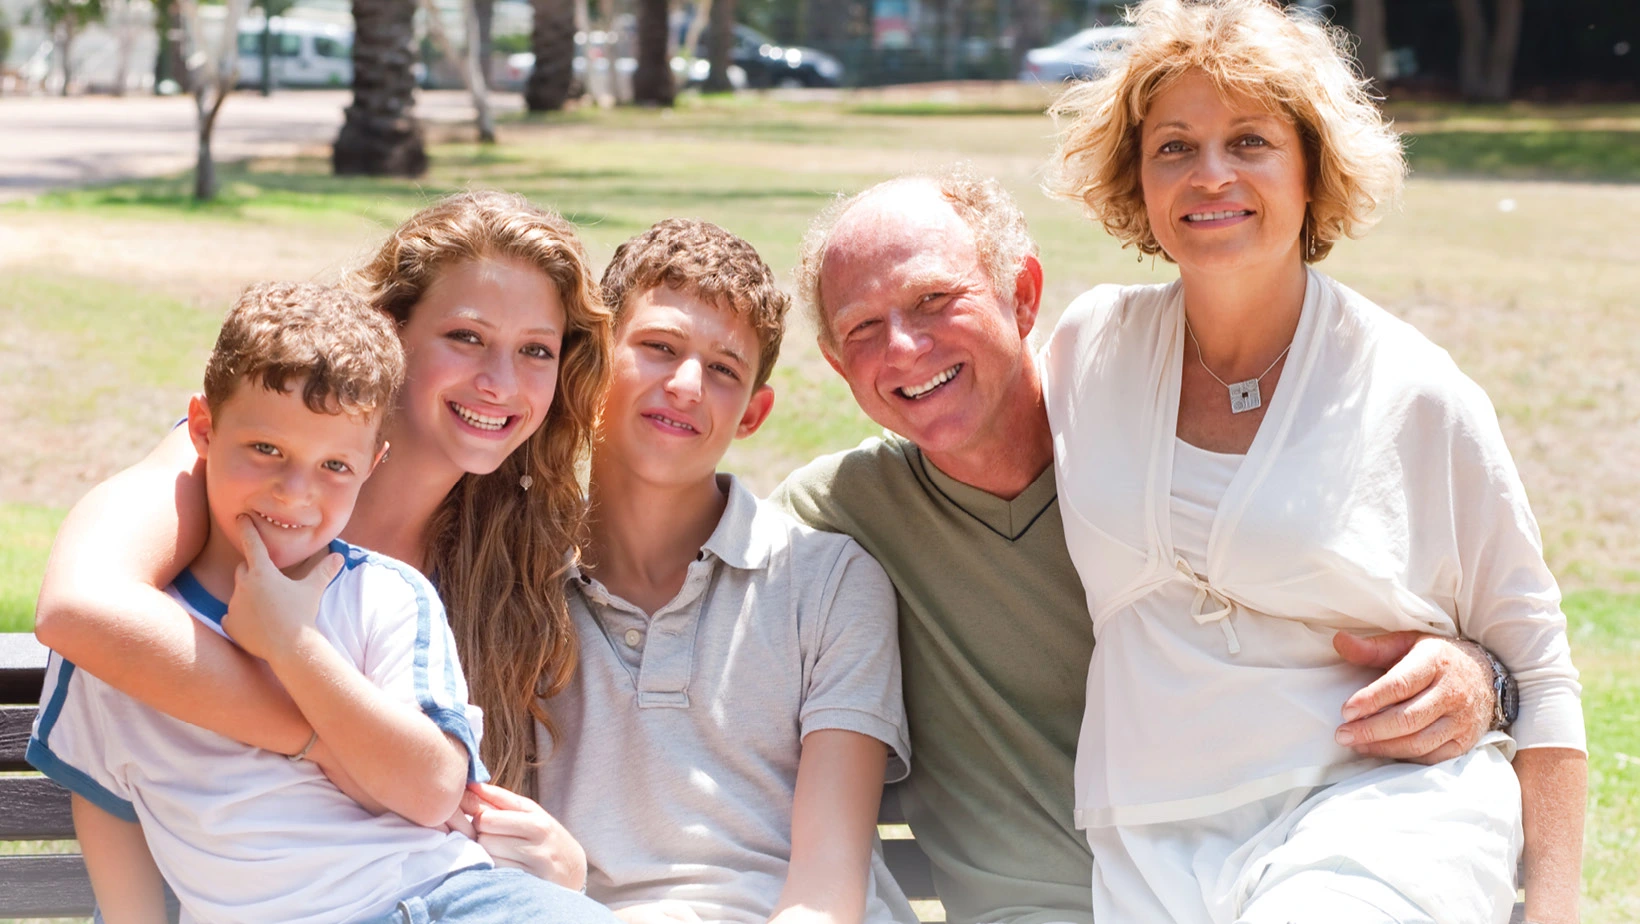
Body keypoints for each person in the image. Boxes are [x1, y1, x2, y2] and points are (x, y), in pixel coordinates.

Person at [779, 169, 1514, 924]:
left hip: (1264, 878)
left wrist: (1481, 674)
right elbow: (677, 570)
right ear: (838, 364)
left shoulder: (1152, 457)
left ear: (1023, 295)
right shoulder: (839, 515)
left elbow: (1444, 604)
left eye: (935, 299)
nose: (903, 346)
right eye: (862, 328)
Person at [1039, 2, 1585, 922]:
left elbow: (1540, 664)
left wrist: (1556, 910)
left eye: (1249, 140)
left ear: (1311, 167)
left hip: (1380, 814)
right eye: (1174, 146)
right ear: (1135, 177)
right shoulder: (1090, 346)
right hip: (1151, 835)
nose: (1211, 174)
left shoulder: (1415, 390)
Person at [32, 190, 612, 888]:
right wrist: (323, 739)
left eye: (536, 351)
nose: (499, 383)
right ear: (390, 332)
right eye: (467, 337)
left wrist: (563, 863)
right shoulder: (237, 469)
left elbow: (452, 796)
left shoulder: (518, 549)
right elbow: (79, 608)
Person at [534, 218, 915, 924]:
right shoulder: (514, 583)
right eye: (658, 348)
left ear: (753, 412)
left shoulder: (829, 583)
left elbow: (827, 890)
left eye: (723, 369)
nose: (685, 385)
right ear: (590, 363)